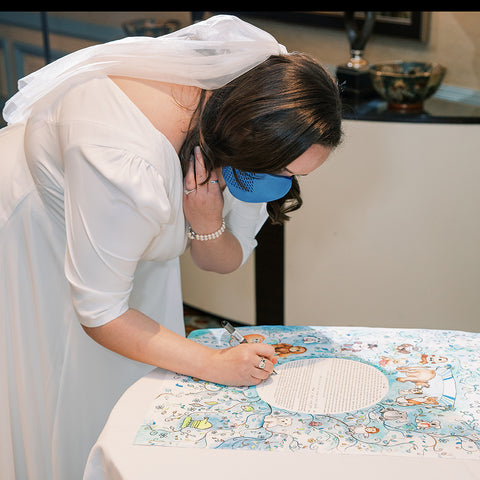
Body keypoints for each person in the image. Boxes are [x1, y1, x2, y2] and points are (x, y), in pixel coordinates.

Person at [0, 14, 342, 480]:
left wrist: (205, 223)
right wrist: (214, 364)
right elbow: (101, 314)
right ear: (245, 143)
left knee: (129, 387)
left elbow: (225, 258)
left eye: (294, 177)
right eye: (281, 172)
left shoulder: (249, 104)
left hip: (119, 234)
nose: (283, 187)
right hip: (35, 227)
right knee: (59, 388)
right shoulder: (124, 162)